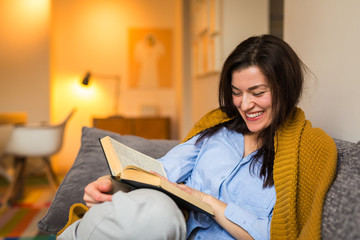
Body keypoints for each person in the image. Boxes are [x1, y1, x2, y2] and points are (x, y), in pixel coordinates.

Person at [58, 35, 337, 240]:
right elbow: (161, 172)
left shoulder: (306, 151)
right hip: (168, 230)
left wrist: (210, 203)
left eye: (258, 92)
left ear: (285, 88)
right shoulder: (217, 132)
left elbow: (274, 233)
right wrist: (110, 183)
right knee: (152, 210)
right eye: (237, 93)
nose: (245, 104)